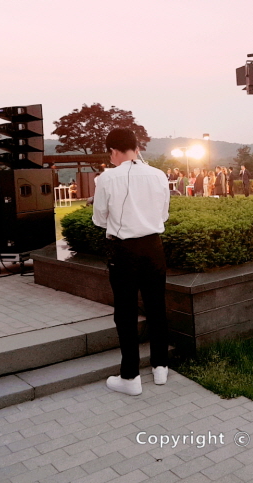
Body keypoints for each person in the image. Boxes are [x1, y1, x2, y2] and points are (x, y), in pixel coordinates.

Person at [92, 128, 170, 396]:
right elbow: (163, 214)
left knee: (125, 312)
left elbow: (99, 219)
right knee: (157, 306)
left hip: (124, 249)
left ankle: (130, 377)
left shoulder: (107, 177)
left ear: (113, 151)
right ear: (136, 148)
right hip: (154, 247)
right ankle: (160, 367)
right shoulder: (158, 174)